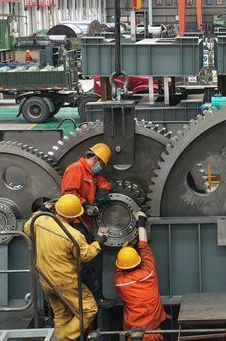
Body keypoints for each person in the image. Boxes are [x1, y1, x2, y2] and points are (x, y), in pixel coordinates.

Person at [24, 194, 108, 341]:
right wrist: (99, 241)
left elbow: (27, 228)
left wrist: (41, 211)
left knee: (61, 314)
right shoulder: (74, 235)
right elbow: (85, 256)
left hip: (46, 280)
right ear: (74, 216)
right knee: (89, 309)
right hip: (65, 281)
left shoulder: (40, 221)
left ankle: (60, 337)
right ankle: (64, 338)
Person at [61, 143, 114, 306]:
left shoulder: (91, 173)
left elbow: (104, 182)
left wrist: (103, 190)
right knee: (84, 264)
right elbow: (69, 193)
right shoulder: (76, 169)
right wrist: (85, 205)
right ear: (95, 158)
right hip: (75, 222)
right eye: (101, 163)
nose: (100, 167)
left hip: (85, 222)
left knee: (88, 263)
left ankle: (94, 298)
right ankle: (92, 299)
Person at [114, 212, 169, 341]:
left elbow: (119, 267)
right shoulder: (148, 273)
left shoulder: (120, 282)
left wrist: (124, 248)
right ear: (138, 261)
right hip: (152, 332)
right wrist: (141, 223)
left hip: (132, 334)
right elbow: (144, 245)